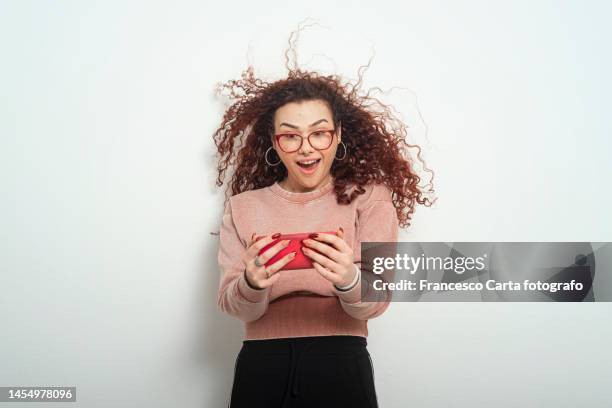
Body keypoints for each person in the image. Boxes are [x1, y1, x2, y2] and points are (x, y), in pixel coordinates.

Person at [213, 31, 435, 408]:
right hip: (260, 366)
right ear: (274, 141)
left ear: (338, 136)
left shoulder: (371, 197)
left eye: (319, 133)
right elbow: (233, 306)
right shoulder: (242, 206)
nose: (306, 148)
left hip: (342, 362)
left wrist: (348, 278)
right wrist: (251, 282)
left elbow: (377, 300)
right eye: (291, 136)